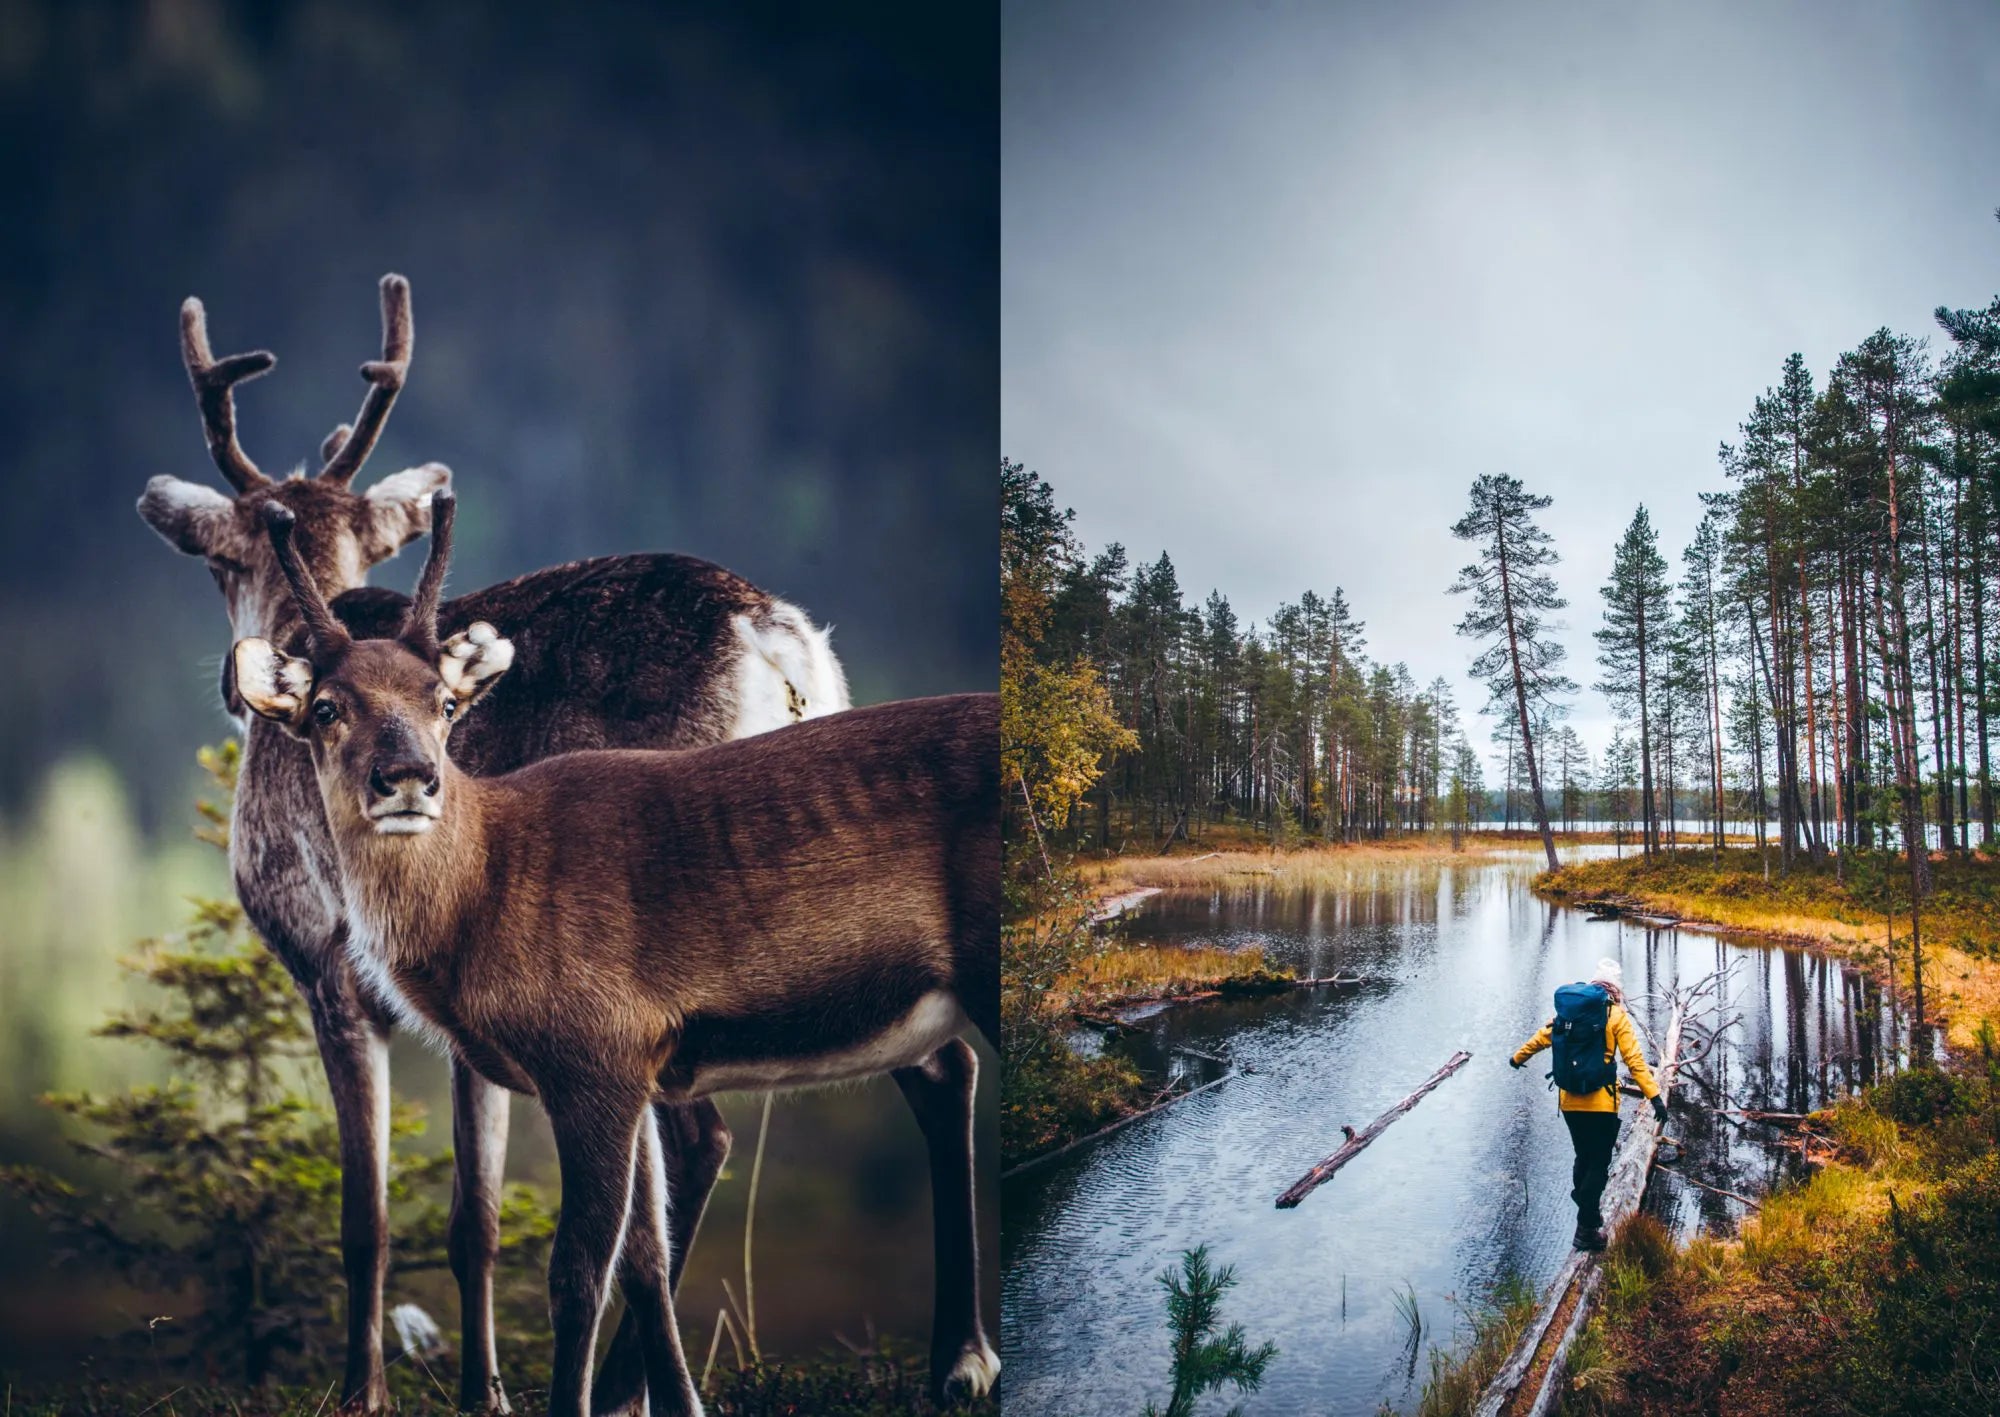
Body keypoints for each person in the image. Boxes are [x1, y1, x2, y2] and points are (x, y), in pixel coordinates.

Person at [1510, 958, 1667, 1251]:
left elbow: (1543, 1037)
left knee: (1583, 1156)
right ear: (1616, 989)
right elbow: (1634, 1061)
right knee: (1598, 1162)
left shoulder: (1571, 1015)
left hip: (1570, 1101)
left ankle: (1584, 1200)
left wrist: (1517, 1058)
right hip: (1602, 1103)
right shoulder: (1616, 1016)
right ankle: (1586, 1228)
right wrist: (1655, 1096)